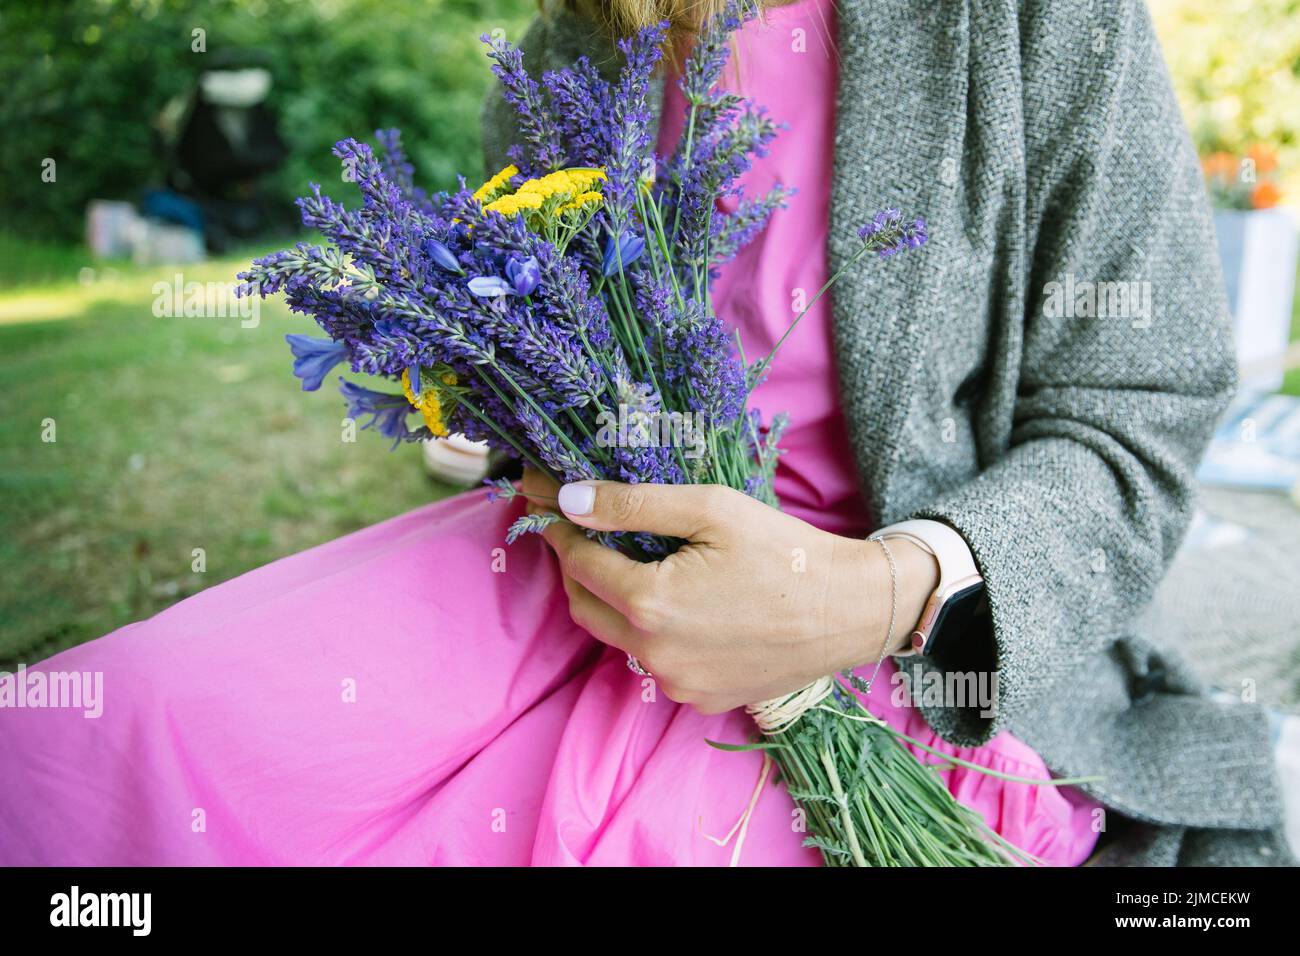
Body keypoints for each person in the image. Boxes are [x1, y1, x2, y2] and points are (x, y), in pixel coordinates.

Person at [0, 0, 1291, 866]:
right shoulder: (574, 40)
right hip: (574, 573)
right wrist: (499, 429)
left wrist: (885, 590)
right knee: (122, 725)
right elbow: (522, 341)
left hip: (902, 643)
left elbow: (1139, 411)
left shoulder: (1024, 23)